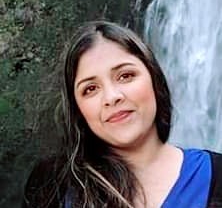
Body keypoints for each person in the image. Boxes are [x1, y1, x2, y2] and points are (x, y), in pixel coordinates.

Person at [22, 21, 222, 208]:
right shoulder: (54, 184)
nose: (112, 97)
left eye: (126, 76)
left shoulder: (216, 174)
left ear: (154, 78)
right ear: (78, 109)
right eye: (90, 89)